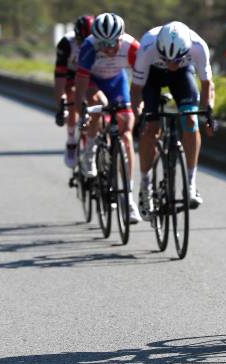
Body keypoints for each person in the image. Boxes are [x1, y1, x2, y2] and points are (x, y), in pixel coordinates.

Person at [131, 21, 215, 220]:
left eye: (176, 59)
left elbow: (206, 85)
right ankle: (145, 185)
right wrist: (138, 116)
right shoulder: (148, 45)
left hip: (183, 77)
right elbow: (136, 90)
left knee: (190, 121)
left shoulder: (198, 46)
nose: (171, 64)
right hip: (152, 77)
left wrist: (208, 113)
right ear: (159, 48)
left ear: (185, 51)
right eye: (166, 59)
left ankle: (191, 183)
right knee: (151, 127)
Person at [74, 12, 142, 223]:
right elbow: (81, 85)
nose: (108, 48)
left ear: (121, 37)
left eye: (113, 42)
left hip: (117, 82)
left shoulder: (132, 47)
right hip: (94, 83)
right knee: (97, 106)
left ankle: (128, 198)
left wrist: (140, 105)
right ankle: (91, 150)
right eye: (102, 43)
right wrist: (82, 110)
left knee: (127, 129)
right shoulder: (88, 46)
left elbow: (143, 80)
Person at [54, 15, 95, 168]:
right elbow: (59, 78)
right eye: (80, 41)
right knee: (71, 97)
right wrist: (61, 105)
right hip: (71, 73)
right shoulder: (66, 43)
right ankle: (71, 141)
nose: (84, 45)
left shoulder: (98, 42)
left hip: (91, 72)